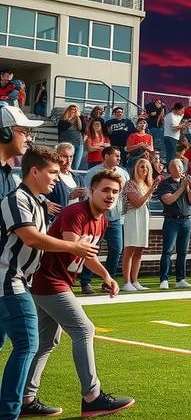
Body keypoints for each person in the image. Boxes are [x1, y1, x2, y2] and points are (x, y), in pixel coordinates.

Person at [23, 169, 135, 418]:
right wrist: (106, 274)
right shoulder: (75, 212)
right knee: (84, 330)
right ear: (91, 191)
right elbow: (76, 247)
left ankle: (25, 398)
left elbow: (86, 256)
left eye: (115, 192)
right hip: (48, 280)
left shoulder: (102, 220)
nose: (110, 195)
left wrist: (106, 276)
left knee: (46, 342)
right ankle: (92, 397)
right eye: (105, 190)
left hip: (58, 281)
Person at [0, 147, 98, 419]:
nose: (57, 177)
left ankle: (23, 402)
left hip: (20, 281)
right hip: (9, 281)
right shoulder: (17, 198)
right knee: (28, 344)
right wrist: (73, 247)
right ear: (34, 171)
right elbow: (31, 238)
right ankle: (10, 410)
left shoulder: (37, 202)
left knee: (26, 344)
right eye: (52, 172)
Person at [80, 148, 131, 295]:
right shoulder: (93, 173)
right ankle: (86, 282)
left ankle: (108, 281)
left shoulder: (123, 173)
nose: (118, 158)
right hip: (96, 216)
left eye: (119, 156)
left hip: (115, 218)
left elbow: (124, 195)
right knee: (91, 250)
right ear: (106, 156)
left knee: (117, 249)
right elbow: (87, 193)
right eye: (116, 155)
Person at [155, 159, 191, 289]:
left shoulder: (185, 183)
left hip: (185, 220)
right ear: (170, 169)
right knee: (168, 251)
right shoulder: (165, 184)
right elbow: (168, 200)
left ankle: (181, 279)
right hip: (171, 220)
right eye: (175, 167)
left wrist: (188, 188)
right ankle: (164, 279)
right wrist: (182, 188)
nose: (178, 169)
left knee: (183, 251)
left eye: (179, 166)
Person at [121, 157, 160, 291]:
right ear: (136, 168)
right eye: (142, 167)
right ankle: (126, 282)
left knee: (139, 250)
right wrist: (151, 189)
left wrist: (151, 187)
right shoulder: (130, 184)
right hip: (133, 216)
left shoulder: (145, 184)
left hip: (143, 216)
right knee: (130, 249)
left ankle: (135, 280)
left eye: (147, 167)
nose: (144, 170)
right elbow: (136, 203)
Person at [56, 104, 85, 172]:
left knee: (75, 166)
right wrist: (70, 118)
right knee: (64, 164)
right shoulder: (63, 120)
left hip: (78, 143)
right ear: (68, 110)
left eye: (75, 110)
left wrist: (78, 117)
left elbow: (82, 129)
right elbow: (62, 129)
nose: (74, 111)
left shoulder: (80, 118)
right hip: (66, 144)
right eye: (72, 109)